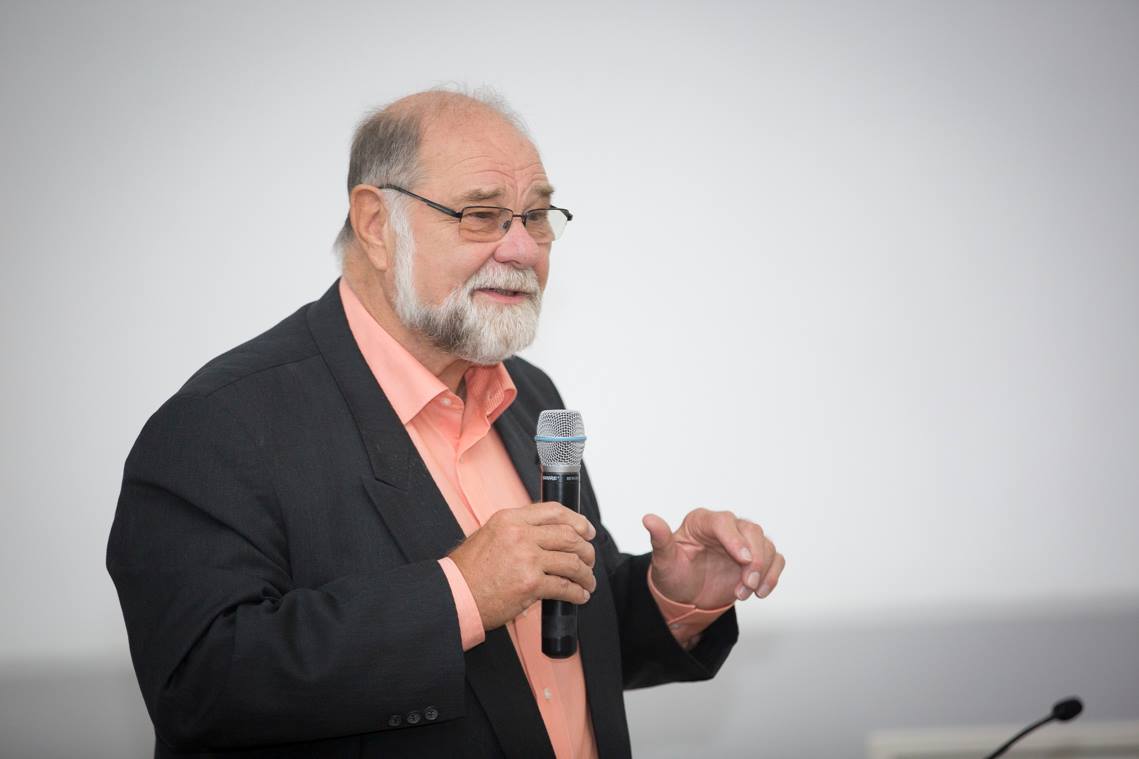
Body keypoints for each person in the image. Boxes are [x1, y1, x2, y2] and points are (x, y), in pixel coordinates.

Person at [107, 89, 785, 759]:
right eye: (482, 215)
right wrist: (460, 594)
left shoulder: (528, 395)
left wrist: (669, 599)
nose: (522, 248)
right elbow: (200, 686)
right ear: (376, 224)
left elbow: (557, 647)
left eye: (537, 215)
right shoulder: (218, 424)